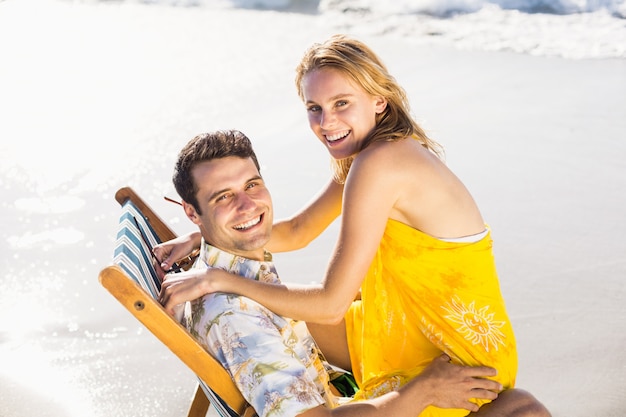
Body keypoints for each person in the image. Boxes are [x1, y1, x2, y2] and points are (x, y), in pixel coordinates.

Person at [158, 35, 551, 416]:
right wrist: (207, 234)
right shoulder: (373, 152)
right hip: (410, 324)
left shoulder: (379, 164)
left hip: (455, 355)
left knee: (298, 304)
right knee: (286, 305)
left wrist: (219, 278)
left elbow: (331, 305)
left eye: (341, 103)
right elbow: (297, 231)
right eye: (315, 108)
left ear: (379, 100)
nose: (326, 122)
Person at [156, 129, 511, 417]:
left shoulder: (227, 271)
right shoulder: (235, 319)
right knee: (519, 410)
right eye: (223, 197)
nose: (248, 205)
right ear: (192, 211)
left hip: (335, 391)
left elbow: (297, 229)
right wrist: (423, 392)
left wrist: (205, 234)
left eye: (252, 185)